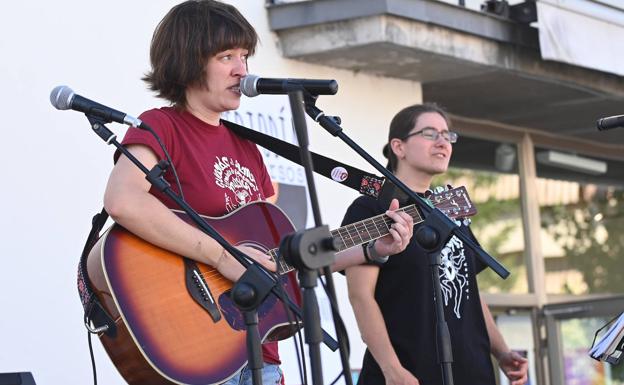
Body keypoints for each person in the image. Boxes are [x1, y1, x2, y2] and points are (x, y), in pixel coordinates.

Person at [103, 1, 414, 384]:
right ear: (187, 60)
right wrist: (221, 255)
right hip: (200, 349)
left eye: (245, 56)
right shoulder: (161, 126)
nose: (241, 69)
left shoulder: (247, 147)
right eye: (226, 56)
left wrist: (371, 248)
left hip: (260, 354)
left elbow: (284, 255)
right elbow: (123, 200)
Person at [342, 104, 529, 385]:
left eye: (447, 135)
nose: (443, 142)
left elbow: (470, 292)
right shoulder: (372, 207)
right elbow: (361, 296)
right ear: (399, 146)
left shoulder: (450, 205)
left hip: (471, 370)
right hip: (409, 371)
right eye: (430, 134)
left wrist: (501, 351)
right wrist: (392, 370)